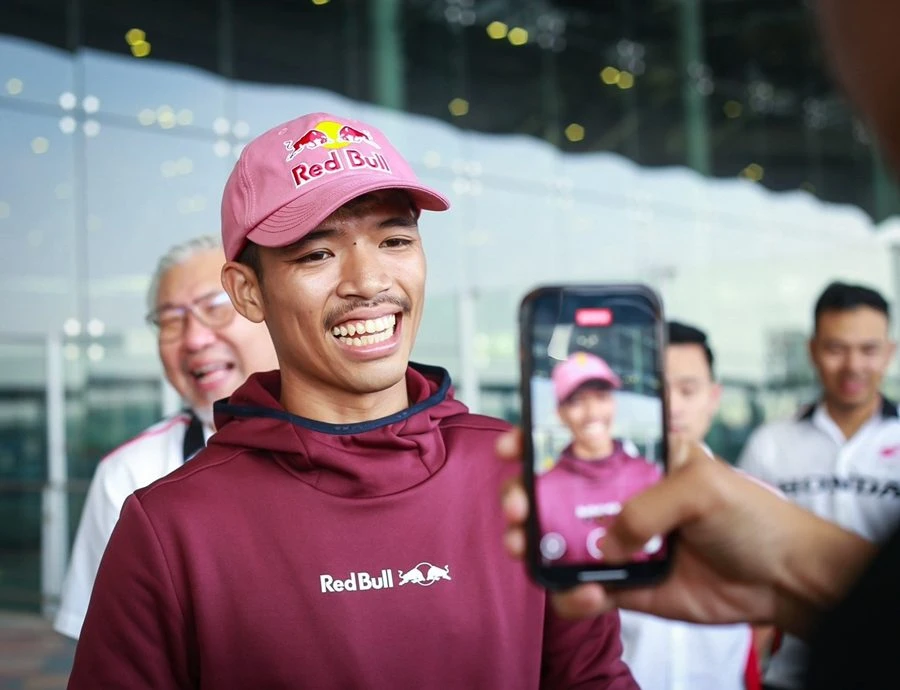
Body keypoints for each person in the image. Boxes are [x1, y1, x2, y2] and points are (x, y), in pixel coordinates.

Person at [66, 112, 638, 689]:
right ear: (247, 290)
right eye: (317, 253)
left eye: (395, 241)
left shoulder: (525, 476)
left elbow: (593, 680)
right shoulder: (170, 528)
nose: (368, 281)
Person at [498, 1, 900, 682]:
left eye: (686, 388)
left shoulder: (724, 488)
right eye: (580, 399)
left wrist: (788, 591)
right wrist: (796, 579)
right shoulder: (753, 457)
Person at [53, 235, 278, 641]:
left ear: (265, 306)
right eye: (171, 320)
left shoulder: (371, 444)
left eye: (215, 307)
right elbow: (109, 651)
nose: (194, 339)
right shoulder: (129, 475)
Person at [737, 281, 900, 690]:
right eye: (836, 348)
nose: (853, 365)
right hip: (789, 674)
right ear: (812, 351)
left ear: (890, 352)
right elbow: (744, 559)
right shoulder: (770, 445)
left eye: (868, 349)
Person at [616, 321, 761, 690]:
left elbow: (765, 621)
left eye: (687, 390)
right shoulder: (591, 506)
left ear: (713, 397)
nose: (672, 406)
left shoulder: (755, 500)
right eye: (655, 389)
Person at [536, 351, 662, 566]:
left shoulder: (649, 477)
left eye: (601, 397)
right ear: (560, 413)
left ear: (613, 402)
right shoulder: (542, 490)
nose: (592, 412)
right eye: (577, 401)